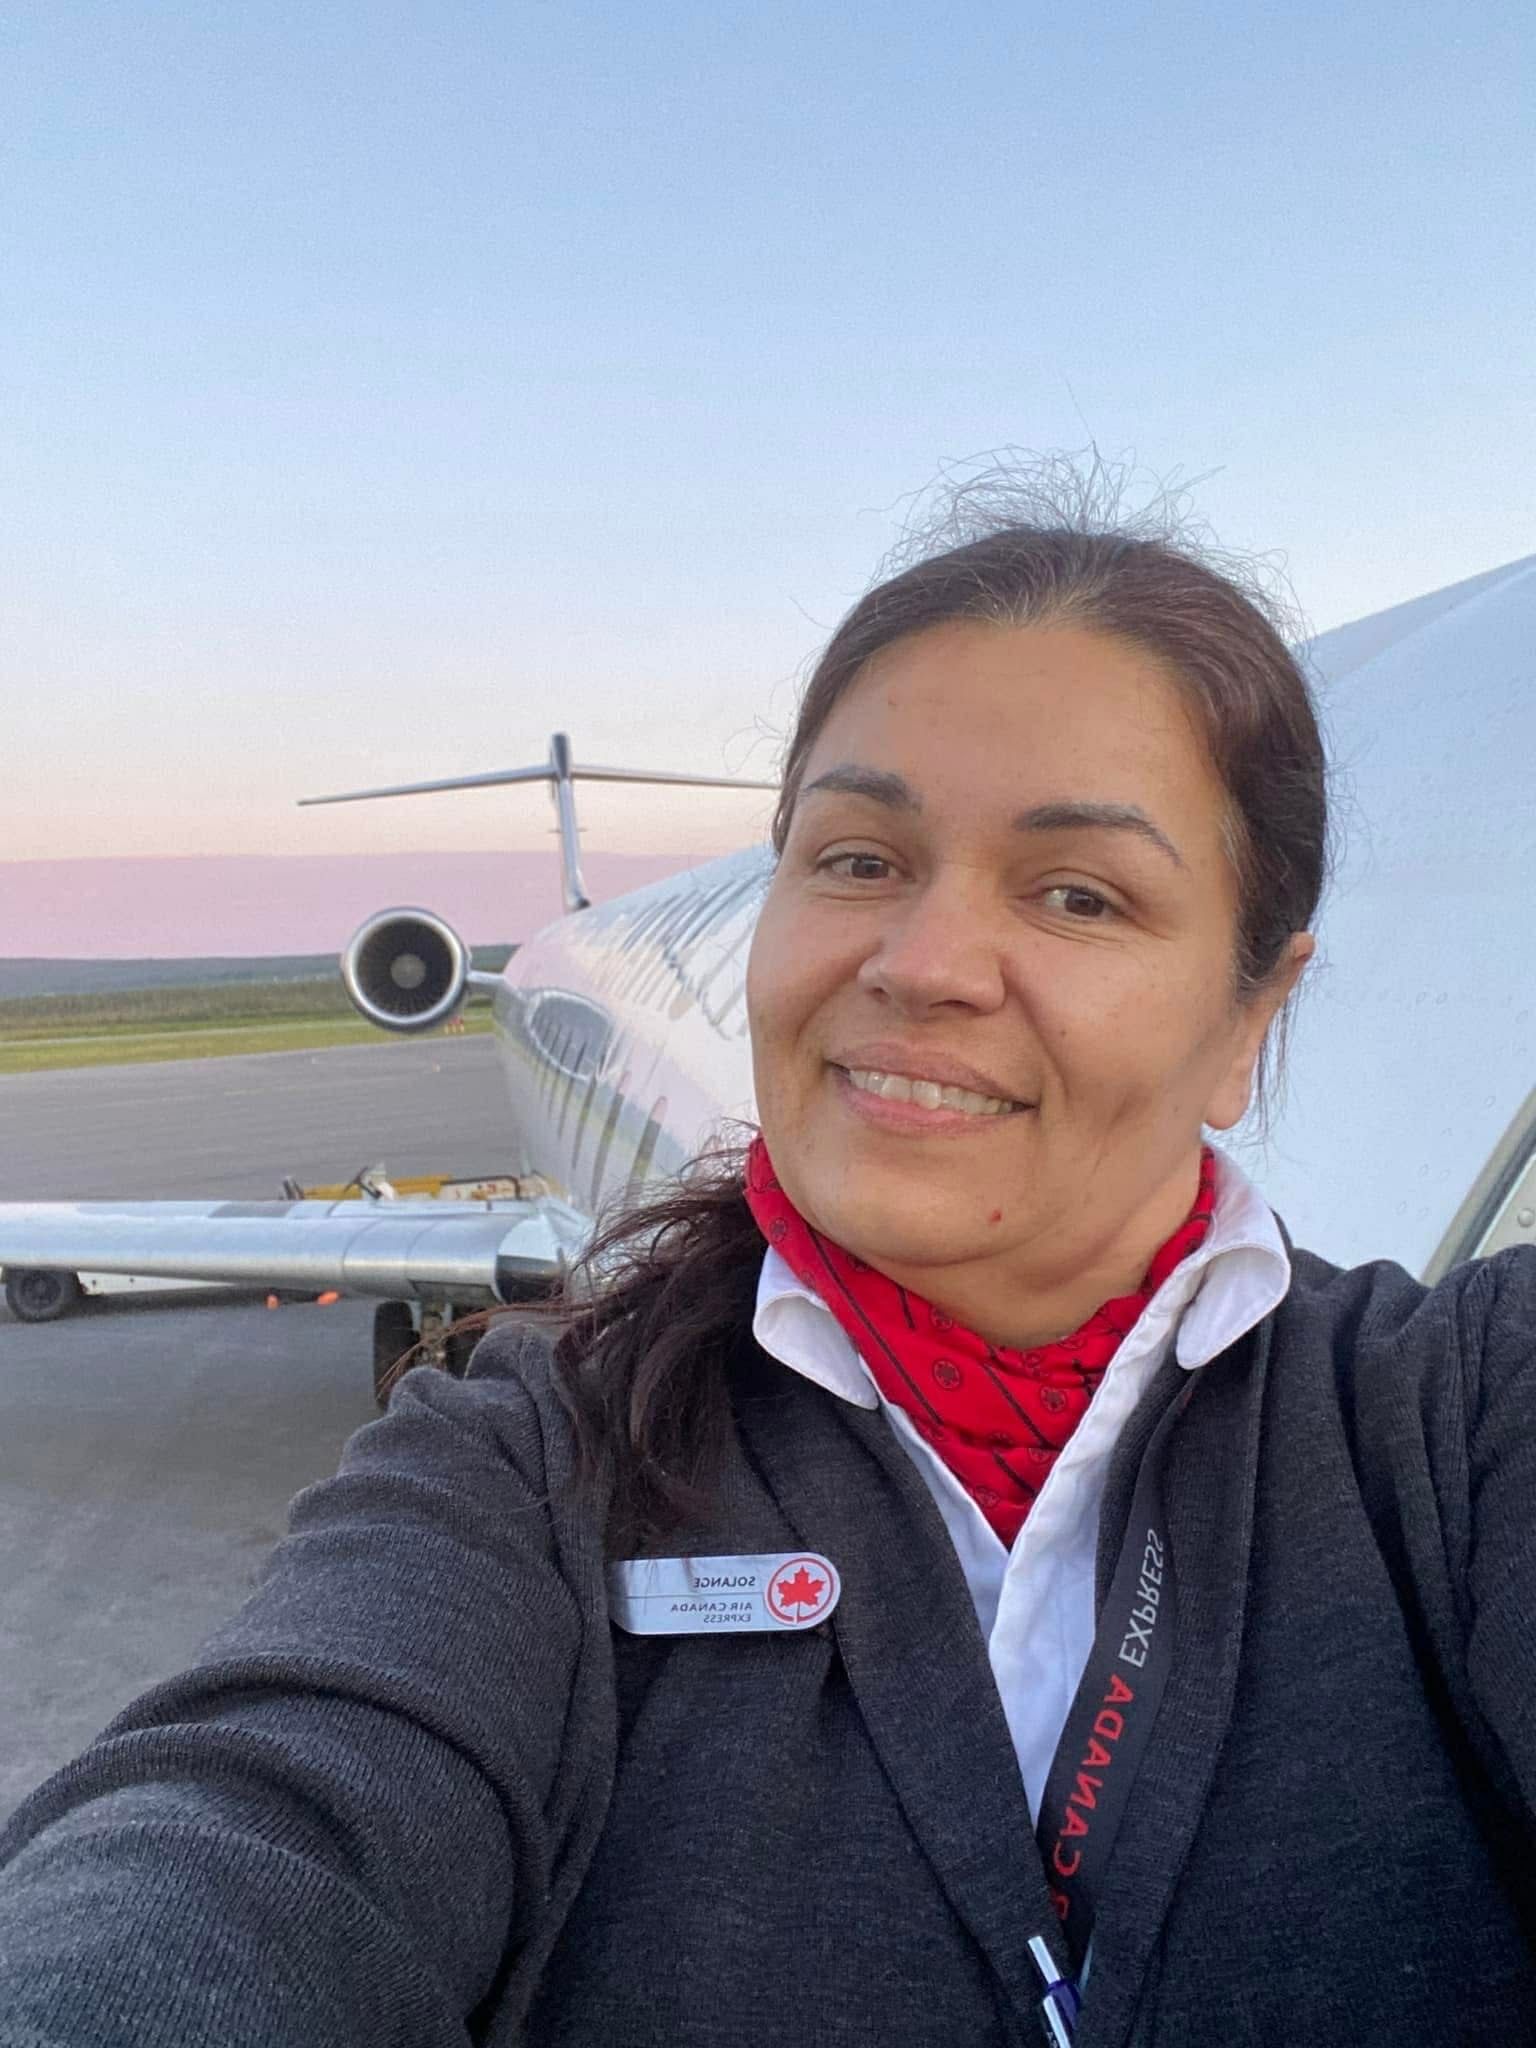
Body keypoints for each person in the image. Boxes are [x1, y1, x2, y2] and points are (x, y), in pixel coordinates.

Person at [3, 499, 1535, 2048]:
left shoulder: (1454, 1430)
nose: (923, 962)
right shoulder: (526, 1464)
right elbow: (257, 1822)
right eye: (860, 858)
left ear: (1251, 1016)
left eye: (1079, 893)